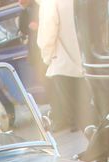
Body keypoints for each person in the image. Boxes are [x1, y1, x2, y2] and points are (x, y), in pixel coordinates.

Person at [38, 0, 91, 132]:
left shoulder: (49, 3)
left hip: (63, 64)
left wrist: (46, 57)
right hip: (88, 59)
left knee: (82, 118)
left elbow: (48, 31)